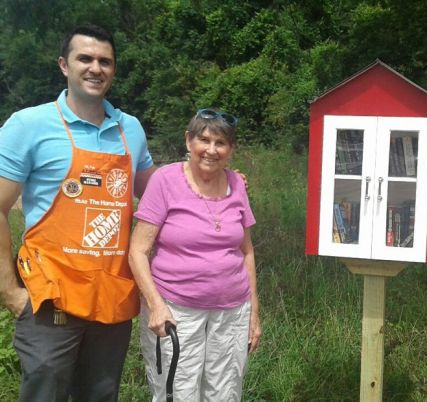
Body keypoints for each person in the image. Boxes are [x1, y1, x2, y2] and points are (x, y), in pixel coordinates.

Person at [0, 24, 156, 401]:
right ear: (63, 65)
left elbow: (159, 196)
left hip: (111, 299)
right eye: (84, 58)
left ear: (114, 70)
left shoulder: (130, 129)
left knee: (101, 395)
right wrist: (10, 292)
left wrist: (218, 180)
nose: (95, 68)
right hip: (49, 298)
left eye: (105, 61)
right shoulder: (29, 125)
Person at [129, 108, 262, 401]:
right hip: (176, 310)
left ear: (231, 149)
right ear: (189, 140)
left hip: (232, 311)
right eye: (204, 140)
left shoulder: (237, 184)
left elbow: (246, 251)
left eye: (221, 143)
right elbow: (138, 251)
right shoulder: (165, 180)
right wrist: (156, 305)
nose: (211, 150)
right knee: (178, 392)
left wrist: (254, 312)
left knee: (225, 393)